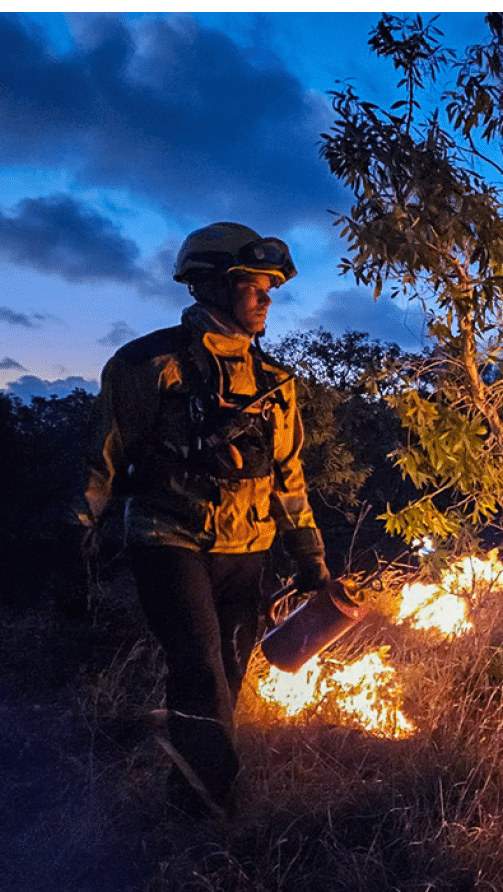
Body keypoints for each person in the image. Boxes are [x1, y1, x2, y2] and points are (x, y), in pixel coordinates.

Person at [76, 222, 331, 820]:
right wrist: (77, 535)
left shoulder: (276, 384)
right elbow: (104, 458)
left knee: (231, 676)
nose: (267, 298)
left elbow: (289, 479)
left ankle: (183, 790)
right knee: (200, 670)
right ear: (210, 286)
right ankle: (213, 821)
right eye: (253, 285)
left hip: (249, 549)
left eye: (272, 287)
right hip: (170, 540)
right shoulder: (147, 364)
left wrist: (311, 559)